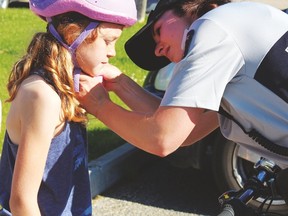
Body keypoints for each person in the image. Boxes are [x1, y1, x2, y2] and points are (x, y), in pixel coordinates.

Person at [78, 0, 288, 201]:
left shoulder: (212, 28)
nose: (158, 50)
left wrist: (99, 105)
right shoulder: (246, 21)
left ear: (188, 6)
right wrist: (119, 83)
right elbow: (185, 129)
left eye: (158, 30)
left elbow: (162, 138)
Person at [0, 0, 136, 215]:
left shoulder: (64, 88)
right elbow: (22, 201)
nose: (112, 53)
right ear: (74, 34)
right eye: (108, 41)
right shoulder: (43, 96)